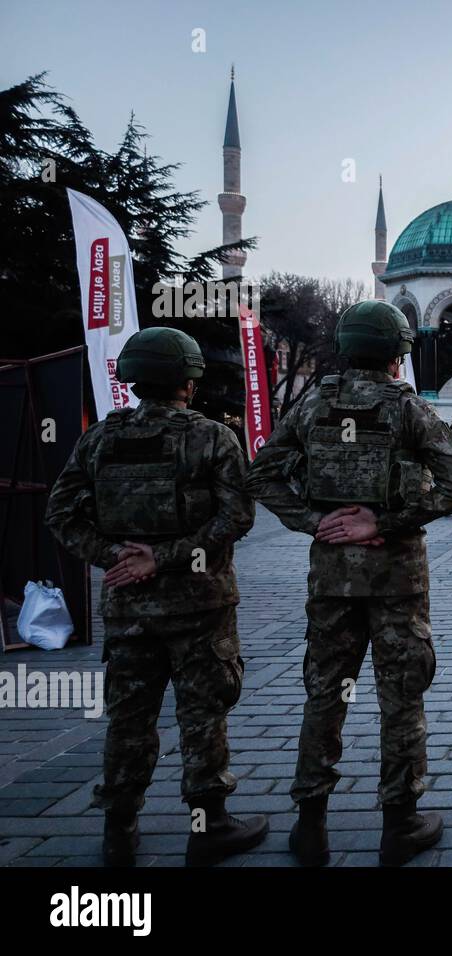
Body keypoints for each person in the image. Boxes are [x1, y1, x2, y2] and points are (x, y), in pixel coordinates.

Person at [246, 299, 452, 866]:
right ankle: (400, 823)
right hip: (397, 581)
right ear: (399, 353)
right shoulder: (408, 410)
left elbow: (263, 475)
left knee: (324, 697)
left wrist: (313, 522)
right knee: (401, 700)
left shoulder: (310, 407)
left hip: (331, 582)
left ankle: (310, 825)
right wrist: (388, 521)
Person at [45, 327, 268, 867]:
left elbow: (61, 514)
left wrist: (115, 558)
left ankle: (119, 829)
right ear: (189, 382)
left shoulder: (100, 438)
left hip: (129, 611)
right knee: (203, 712)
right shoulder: (213, 437)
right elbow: (237, 515)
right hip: (200, 605)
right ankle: (208, 825)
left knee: (129, 716)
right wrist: (167, 558)